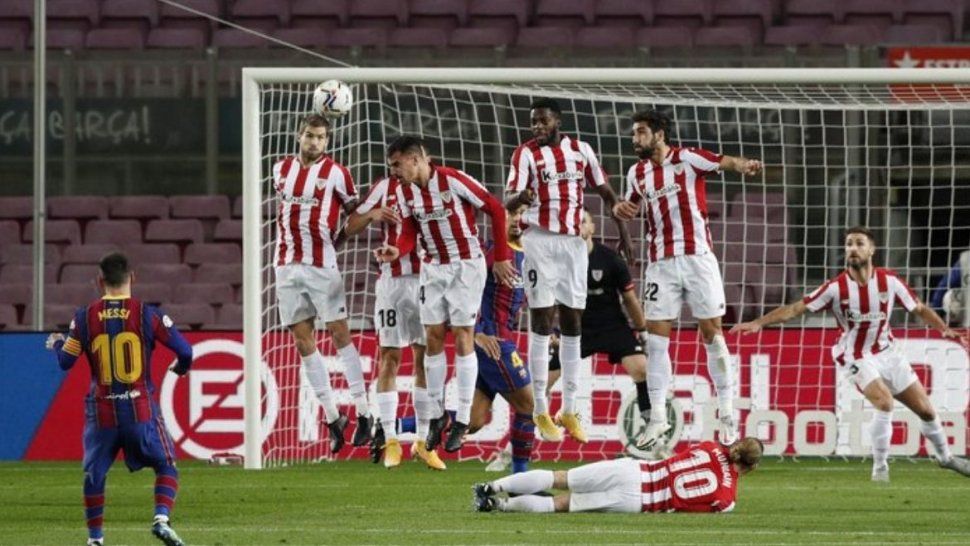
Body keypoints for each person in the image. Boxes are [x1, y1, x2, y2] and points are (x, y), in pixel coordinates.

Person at [731, 227, 970, 482]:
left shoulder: (889, 282)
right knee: (885, 402)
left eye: (859, 243)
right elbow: (795, 309)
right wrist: (759, 322)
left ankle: (946, 458)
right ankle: (880, 469)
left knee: (926, 411)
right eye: (848, 244)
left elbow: (919, 308)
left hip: (888, 353)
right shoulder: (835, 288)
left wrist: (944, 329)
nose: (852, 249)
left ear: (871, 250)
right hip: (855, 356)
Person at [613, 109, 763, 449]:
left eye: (640, 133)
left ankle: (726, 412)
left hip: (698, 259)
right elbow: (630, 206)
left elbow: (725, 162)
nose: (634, 139)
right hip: (660, 265)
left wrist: (746, 165)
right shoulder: (636, 172)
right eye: (633, 133)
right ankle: (656, 419)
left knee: (712, 333)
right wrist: (620, 210)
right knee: (656, 341)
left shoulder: (689, 158)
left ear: (659, 134)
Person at [375, 135, 516, 453]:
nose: (394, 171)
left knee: (464, 336)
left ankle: (463, 419)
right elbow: (410, 230)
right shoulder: (404, 191)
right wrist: (397, 251)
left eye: (396, 164)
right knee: (433, 336)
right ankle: (437, 415)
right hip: (433, 269)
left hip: (465, 266)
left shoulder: (452, 180)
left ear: (414, 159)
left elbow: (494, 208)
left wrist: (503, 256)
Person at [505, 97, 632, 444]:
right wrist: (522, 198)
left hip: (573, 244)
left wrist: (624, 236)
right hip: (539, 242)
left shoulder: (581, 150)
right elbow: (508, 200)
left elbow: (607, 193)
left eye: (543, 121)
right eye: (533, 122)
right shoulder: (526, 154)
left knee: (574, 321)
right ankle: (541, 409)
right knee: (543, 321)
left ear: (557, 121)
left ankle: (571, 408)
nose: (537, 128)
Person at [45, 253, 193, 546]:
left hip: (102, 413)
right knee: (166, 465)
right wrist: (180, 369)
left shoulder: (84, 317)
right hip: (139, 408)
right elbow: (186, 351)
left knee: (94, 474)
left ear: (99, 281)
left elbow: (65, 362)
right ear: (132, 278)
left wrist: (58, 342)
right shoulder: (147, 314)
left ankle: (95, 540)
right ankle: (161, 519)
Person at [272, 113, 372, 452]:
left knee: (340, 333)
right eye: (310, 136)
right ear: (299, 136)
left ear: (327, 142)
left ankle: (364, 413)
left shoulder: (337, 174)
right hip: (286, 266)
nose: (315, 142)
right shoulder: (280, 169)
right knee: (302, 343)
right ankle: (333, 418)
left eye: (321, 138)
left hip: (322, 266)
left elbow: (355, 213)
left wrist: (340, 238)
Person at [345, 175, 446, 470]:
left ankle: (424, 442)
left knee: (424, 360)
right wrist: (373, 214)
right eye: (395, 164)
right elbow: (351, 225)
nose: (400, 168)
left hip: (427, 281)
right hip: (391, 284)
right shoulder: (383, 188)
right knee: (388, 356)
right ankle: (390, 439)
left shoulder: (437, 188)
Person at [474, 437, 763, 514]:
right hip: (638, 502)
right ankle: (499, 506)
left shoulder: (712, 447)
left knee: (557, 477)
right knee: (559, 504)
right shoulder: (727, 501)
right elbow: (688, 512)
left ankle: (492, 486)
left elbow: (684, 457)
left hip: (635, 470)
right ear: (751, 468)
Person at [468, 202, 535, 473]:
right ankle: (521, 480)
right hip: (495, 344)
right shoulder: (489, 253)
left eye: (521, 213)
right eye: (511, 214)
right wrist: (475, 334)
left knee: (472, 420)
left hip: (504, 340)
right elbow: (460, 295)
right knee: (529, 406)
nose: (517, 219)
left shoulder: (529, 255)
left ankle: (397, 426)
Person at [578, 209, 652, 428]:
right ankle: (513, 447)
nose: (578, 226)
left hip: (613, 326)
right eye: (574, 222)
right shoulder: (561, 260)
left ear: (592, 228)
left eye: (583, 222)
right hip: (578, 329)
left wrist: (643, 331)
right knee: (543, 379)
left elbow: (630, 299)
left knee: (641, 369)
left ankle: (652, 433)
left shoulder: (610, 260)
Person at [929, 249, 969, 324]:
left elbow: (943, 286)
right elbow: (944, 285)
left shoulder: (966, 259)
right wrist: (935, 313)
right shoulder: (966, 259)